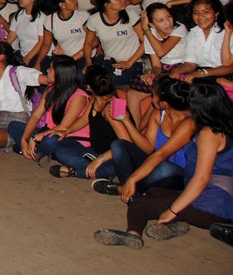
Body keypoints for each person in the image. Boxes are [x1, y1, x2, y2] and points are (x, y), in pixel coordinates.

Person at [94, 81, 233, 249]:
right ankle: (176, 223)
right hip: (216, 201)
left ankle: (133, 235)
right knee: (153, 193)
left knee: (141, 204)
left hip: (212, 206)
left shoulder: (208, 133)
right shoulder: (222, 127)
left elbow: (201, 179)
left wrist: (172, 210)